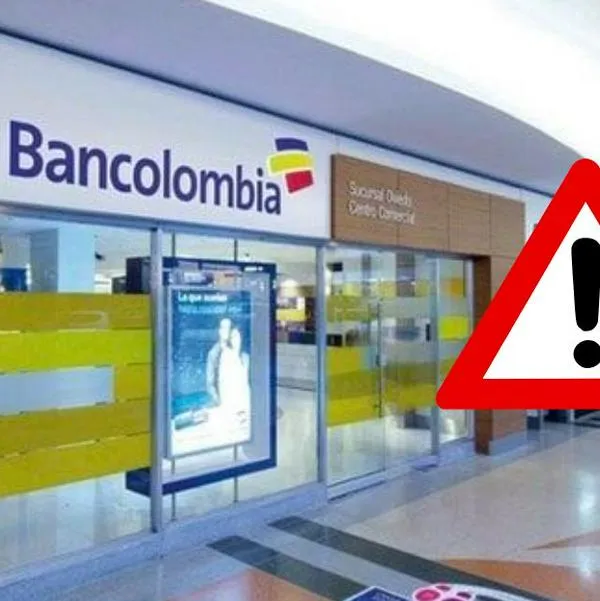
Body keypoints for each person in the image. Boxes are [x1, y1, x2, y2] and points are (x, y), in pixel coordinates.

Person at [218, 326, 251, 426]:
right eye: (232, 337)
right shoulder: (226, 356)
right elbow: (224, 383)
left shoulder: (245, 357)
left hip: (246, 405)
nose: (236, 339)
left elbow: (246, 383)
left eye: (237, 336)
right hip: (232, 406)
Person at [205, 317, 232, 406]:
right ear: (219, 331)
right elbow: (210, 383)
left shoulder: (238, 352)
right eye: (224, 328)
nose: (227, 331)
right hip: (221, 401)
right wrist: (219, 401)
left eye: (229, 328)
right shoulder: (214, 353)